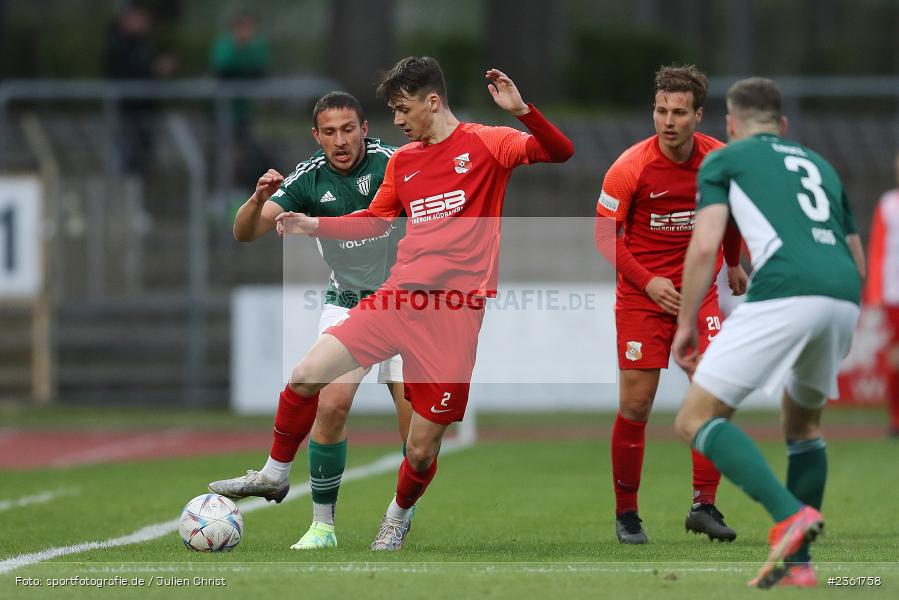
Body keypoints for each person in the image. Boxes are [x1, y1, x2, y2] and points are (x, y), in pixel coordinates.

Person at [275, 56, 573, 550]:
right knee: (310, 375)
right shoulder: (406, 161)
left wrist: (523, 110)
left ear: (432, 102)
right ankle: (274, 473)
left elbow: (559, 151)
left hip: (454, 313)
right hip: (396, 299)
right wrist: (314, 224)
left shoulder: (487, 142)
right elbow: (374, 220)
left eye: (402, 108)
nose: (396, 121)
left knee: (419, 448)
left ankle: (398, 514)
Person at [672, 77, 865, 588]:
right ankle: (798, 564)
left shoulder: (724, 159)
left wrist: (686, 322)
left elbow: (705, 242)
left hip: (785, 288)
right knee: (803, 427)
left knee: (695, 418)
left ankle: (789, 514)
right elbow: (858, 257)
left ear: (730, 125)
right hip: (844, 294)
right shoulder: (821, 165)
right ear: (783, 125)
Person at [208, 91, 411, 550]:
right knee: (332, 403)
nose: (340, 140)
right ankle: (322, 527)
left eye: (348, 129)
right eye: (329, 132)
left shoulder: (394, 164)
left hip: (409, 303)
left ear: (364, 128)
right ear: (316, 136)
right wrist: (257, 199)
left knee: (415, 435)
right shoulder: (307, 177)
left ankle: (401, 515)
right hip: (351, 302)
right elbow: (245, 232)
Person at [594, 65, 747, 544]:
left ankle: (704, 503)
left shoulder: (718, 161)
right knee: (637, 405)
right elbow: (603, 237)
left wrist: (735, 263)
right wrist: (648, 281)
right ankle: (627, 514)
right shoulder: (629, 166)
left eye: (679, 112)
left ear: (698, 115)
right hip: (643, 297)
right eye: (661, 110)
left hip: (698, 297)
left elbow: (733, 215)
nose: (668, 120)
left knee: (713, 395)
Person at [864, 151, 899, 436]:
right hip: (894, 294)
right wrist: (874, 291)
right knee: (895, 357)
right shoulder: (888, 204)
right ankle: (896, 418)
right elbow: (877, 250)